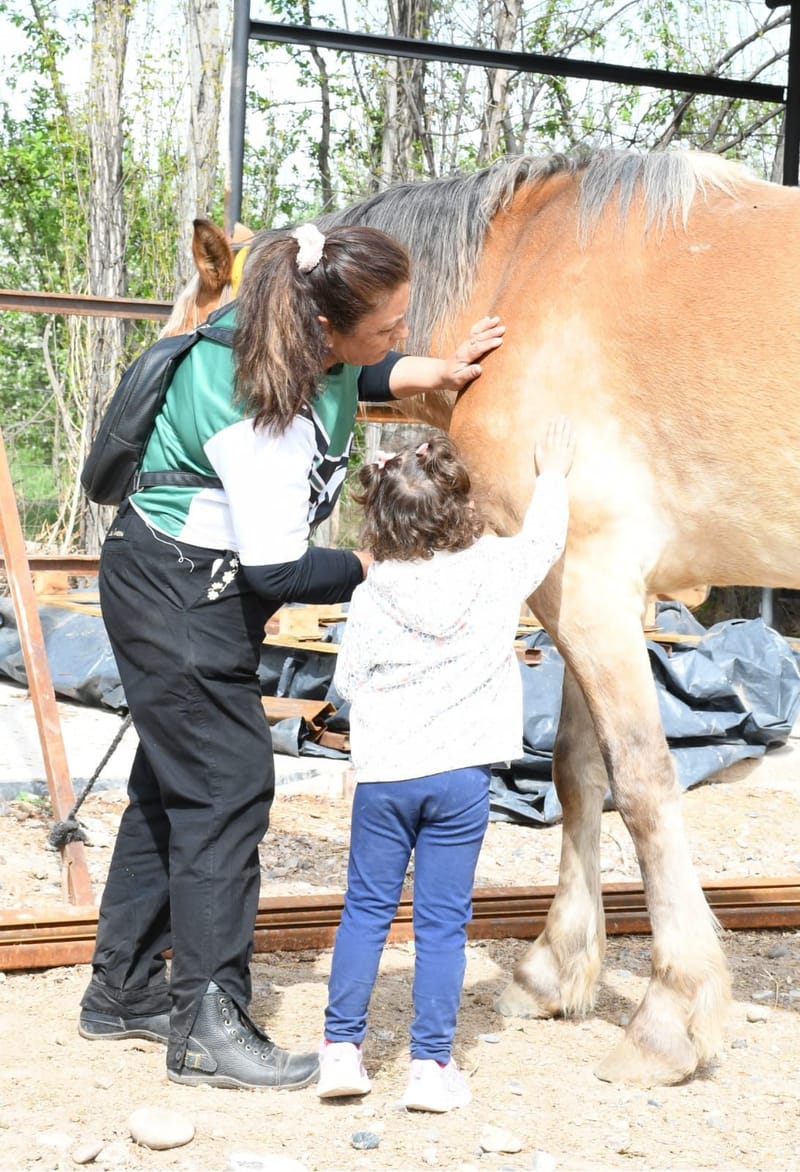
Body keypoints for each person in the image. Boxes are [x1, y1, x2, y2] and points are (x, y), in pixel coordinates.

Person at [77, 222, 505, 1092]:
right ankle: (208, 1027)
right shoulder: (259, 407)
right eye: (386, 326)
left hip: (185, 584)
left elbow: (369, 372)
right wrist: (374, 567)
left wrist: (435, 369)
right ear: (323, 327)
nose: (395, 338)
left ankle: (123, 991)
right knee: (229, 788)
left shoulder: (308, 348)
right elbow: (281, 566)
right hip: (180, 592)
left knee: (176, 785)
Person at [317, 417, 576, 1112]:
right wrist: (550, 476)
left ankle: (341, 1051)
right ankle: (430, 1067)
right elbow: (545, 542)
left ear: (380, 516)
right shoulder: (494, 568)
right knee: (441, 925)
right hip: (460, 776)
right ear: (460, 507)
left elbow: (347, 683)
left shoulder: (371, 595)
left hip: (384, 777)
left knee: (365, 912)